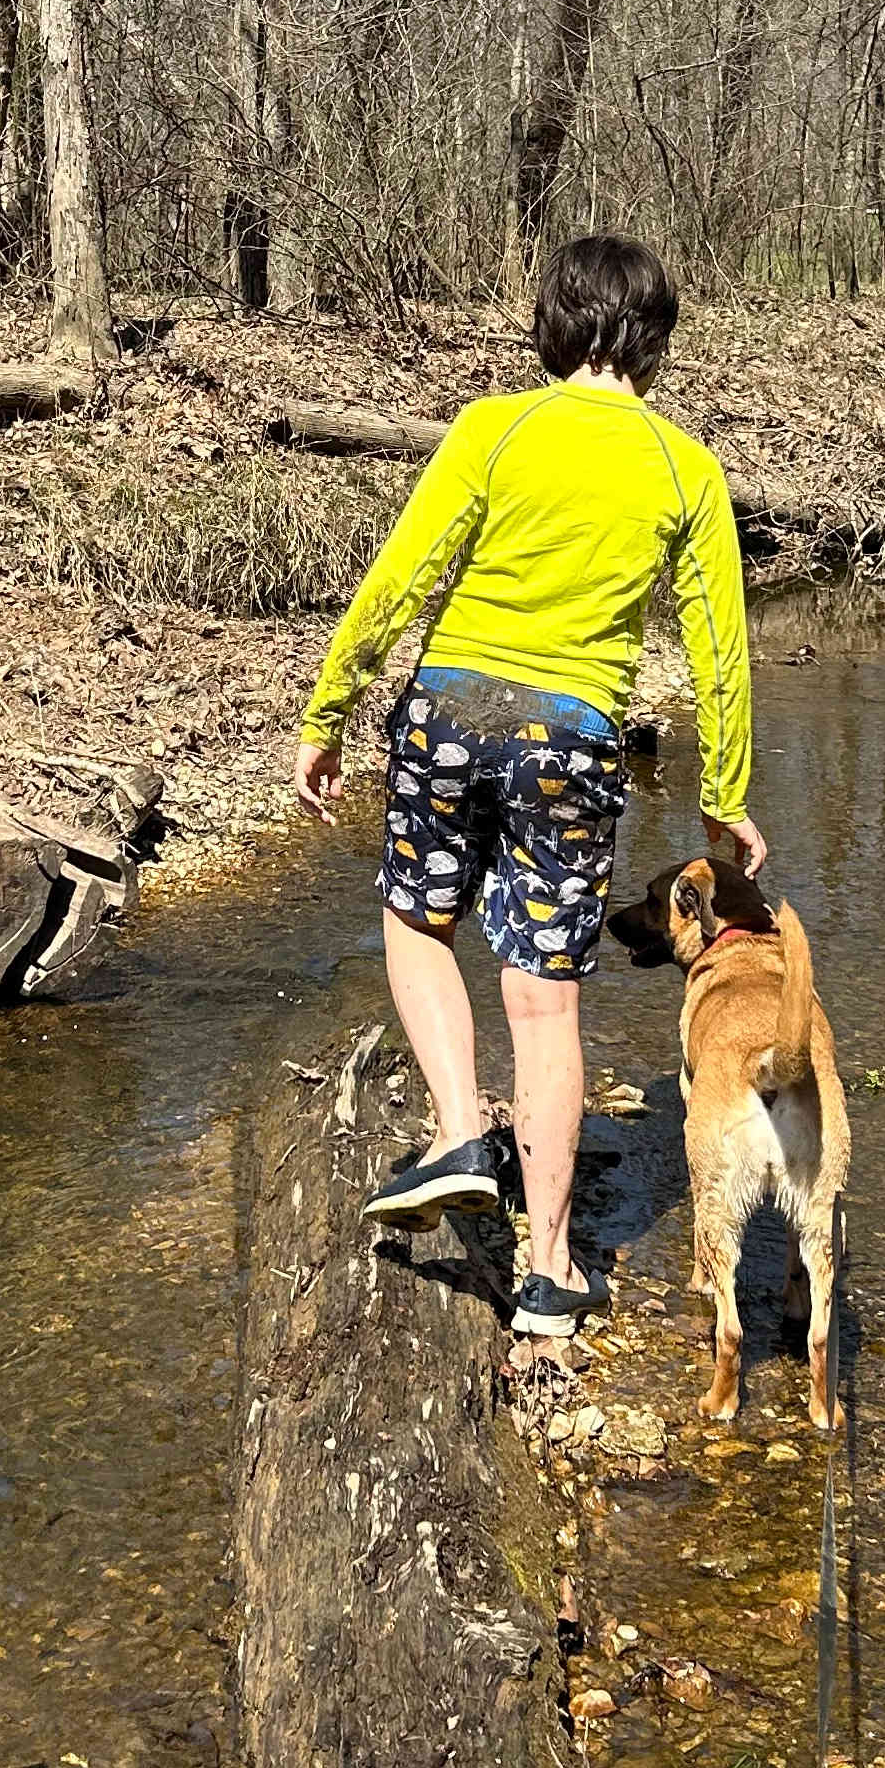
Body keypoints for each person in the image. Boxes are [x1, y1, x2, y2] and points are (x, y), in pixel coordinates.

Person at [292, 231, 763, 1343]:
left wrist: (328, 713)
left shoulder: (490, 429)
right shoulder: (683, 467)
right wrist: (723, 794)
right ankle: (549, 1273)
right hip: (572, 735)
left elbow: (398, 578)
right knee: (545, 998)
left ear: (553, 326)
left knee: (417, 926)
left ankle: (462, 1130)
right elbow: (720, 649)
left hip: (448, 710)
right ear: (654, 342)